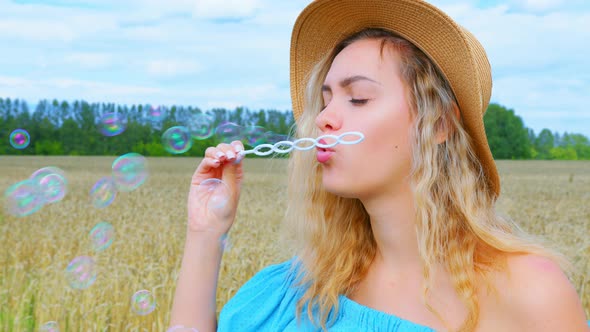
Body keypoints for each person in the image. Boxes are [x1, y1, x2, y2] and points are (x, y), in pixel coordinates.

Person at [169, 0, 590, 331]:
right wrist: (205, 234)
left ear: (439, 124)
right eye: (327, 98)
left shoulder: (531, 294)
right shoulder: (297, 291)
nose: (324, 117)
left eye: (358, 98)